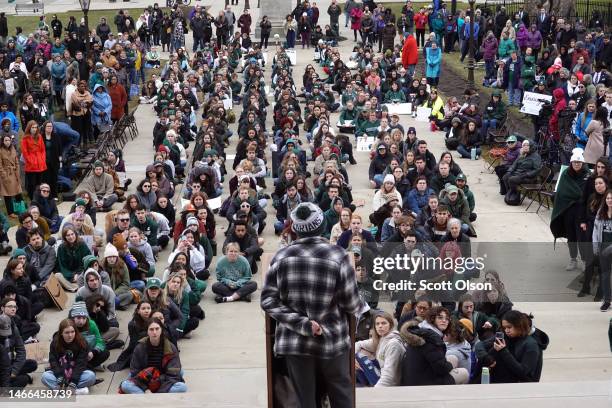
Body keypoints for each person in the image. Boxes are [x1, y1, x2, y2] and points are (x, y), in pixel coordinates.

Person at [261, 202, 362, 407]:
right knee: (341, 394)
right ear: (322, 225)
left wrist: (302, 324)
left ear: (295, 229)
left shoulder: (281, 257)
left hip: (294, 343)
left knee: (305, 400)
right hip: (332, 340)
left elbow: (268, 300)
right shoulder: (339, 256)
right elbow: (352, 304)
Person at [399, 306, 469, 386]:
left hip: (413, 378)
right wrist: (450, 366)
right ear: (432, 319)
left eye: (447, 319)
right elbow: (441, 369)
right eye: (440, 318)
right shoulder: (432, 337)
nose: (444, 321)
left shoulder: (421, 331)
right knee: (464, 373)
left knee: (453, 358)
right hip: (425, 384)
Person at [119, 318, 187, 393]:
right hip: (144, 379)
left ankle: (149, 396)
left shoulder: (171, 348)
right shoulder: (139, 347)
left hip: (163, 379)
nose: (154, 332)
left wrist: (159, 389)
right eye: (151, 329)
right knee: (125, 385)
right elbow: (135, 371)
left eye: (157, 329)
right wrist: (146, 389)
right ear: (147, 331)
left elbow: (172, 375)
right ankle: (153, 396)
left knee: (182, 386)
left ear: (161, 330)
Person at [550, 148, 591, 271]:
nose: (577, 164)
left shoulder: (588, 175)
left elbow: (589, 193)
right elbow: (562, 192)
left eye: (579, 163)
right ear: (571, 163)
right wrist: (576, 196)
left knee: (582, 236)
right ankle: (573, 259)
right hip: (568, 209)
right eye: (574, 162)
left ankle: (584, 260)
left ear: (582, 163)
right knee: (571, 236)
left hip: (582, 210)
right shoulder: (566, 174)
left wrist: (581, 199)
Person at [475, 310, 543, 383]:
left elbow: (523, 372)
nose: (506, 331)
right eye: (504, 328)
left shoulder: (531, 344)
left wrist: (503, 351)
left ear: (519, 325)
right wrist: (486, 357)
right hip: (505, 379)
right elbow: (480, 345)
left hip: (522, 384)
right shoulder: (506, 336)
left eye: (509, 327)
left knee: (497, 354)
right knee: (489, 355)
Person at [41, 318, 98, 395]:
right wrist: (59, 377)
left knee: (91, 377)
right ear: (61, 333)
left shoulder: (82, 342)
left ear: (76, 331)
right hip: (61, 372)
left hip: (77, 373)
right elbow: (53, 361)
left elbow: (81, 364)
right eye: (67, 333)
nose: (70, 335)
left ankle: (61, 390)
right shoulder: (55, 343)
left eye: (72, 332)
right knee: (45, 377)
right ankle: (77, 391)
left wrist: (74, 381)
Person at [354, 311, 405, 387]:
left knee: (361, 355)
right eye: (377, 324)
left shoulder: (393, 344)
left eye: (383, 323)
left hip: (390, 385)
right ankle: (362, 384)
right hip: (380, 374)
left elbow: (389, 376)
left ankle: (365, 387)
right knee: (359, 353)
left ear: (390, 325)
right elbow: (358, 344)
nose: (380, 326)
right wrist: (353, 359)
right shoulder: (381, 339)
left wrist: (375, 392)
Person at [68, 301, 110, 371]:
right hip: (75, 356)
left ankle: (86, 367)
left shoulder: (92, 324)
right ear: (73, 318)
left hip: (89, 353)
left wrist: (93, 352)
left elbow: (99, 340)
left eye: (84, 318)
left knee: (105, 353)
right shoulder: (68, 325)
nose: (81, 321)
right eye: (78, 318)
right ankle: (86, 367)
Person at [0, 312, 37, 388]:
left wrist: (14, 371)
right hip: (3, 369)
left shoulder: (13, 328)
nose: (13, 309)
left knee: (32, 364)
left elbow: (21, 351)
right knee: (23, 379)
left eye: (14, 306)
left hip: (9, 365)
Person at [592, 190, 612, 311]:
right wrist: (595, 246)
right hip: (603, 248)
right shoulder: (601, 212)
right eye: (608, 198)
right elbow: (595, 230)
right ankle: (607, 300)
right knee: (605, 276)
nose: (610, 200)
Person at [20, 120, 47, 200]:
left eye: (35, 127)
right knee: (32, 184)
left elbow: (43, 149)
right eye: (33, 127)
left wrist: (42, 159)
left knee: (39, 183)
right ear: (29, 128)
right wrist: (31, 161)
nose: (34, 129)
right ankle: (32, 198)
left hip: (40, 163)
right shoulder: (25, 139)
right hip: (31, 164)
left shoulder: (39, 136)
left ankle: (39, 197)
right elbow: (25, 152)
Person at [0, 133, 24, 218]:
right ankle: (10, 212)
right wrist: (4, 175)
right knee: (8, 194)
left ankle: (20, 209)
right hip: (7, 173)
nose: (7, 142)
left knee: (18, 192)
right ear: (2, 141)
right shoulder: (0, 150)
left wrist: (17, 171)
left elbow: (16, 161)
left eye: (9, 140)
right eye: (5, 140)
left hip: (14, 173)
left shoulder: (13, 148)